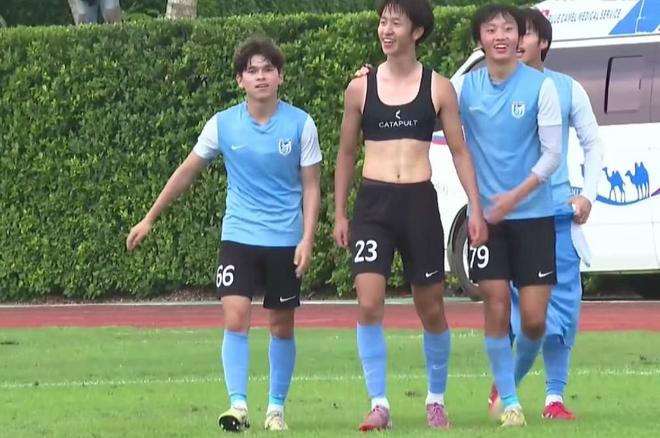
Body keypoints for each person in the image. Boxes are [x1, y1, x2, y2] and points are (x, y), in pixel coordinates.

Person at [126, 36, 322, 432]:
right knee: (235, 317)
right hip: (238, 236)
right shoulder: (222, 124)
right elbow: (187, 171)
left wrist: (307, 238)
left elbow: (311, 185)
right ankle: (238, 406)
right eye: (252, 71)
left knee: (281, 326)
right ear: (240, 80)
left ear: (280, 77)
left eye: (268, 69)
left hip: (284, 239)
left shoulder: (301, 124)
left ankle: (276, 409)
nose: (260, 76)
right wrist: (149, 218)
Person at [334, 0, 487, 431]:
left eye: (395, 23)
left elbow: (460, 151)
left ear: (416, 31)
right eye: (382, 22)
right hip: (374, 205)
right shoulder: (360, 88)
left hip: (419, 203)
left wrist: (476, 208)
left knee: (431, 307)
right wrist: (340, 213)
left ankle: (436, 400)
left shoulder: (439, 87)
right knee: (369, 302)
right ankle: (378, 403)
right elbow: (345, 153)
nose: (386, 30)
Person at [488, 7, 604, 421]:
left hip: (557, 217)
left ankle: (554, 398)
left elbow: (592, 143)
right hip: (512, 220)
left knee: (564, 312)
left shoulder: (567, 88)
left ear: (545, 43)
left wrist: (587, 195)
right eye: (510, 32)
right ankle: (506, 387)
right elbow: (434, 94)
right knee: (521, 314)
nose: (515, 40)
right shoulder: (489, 86)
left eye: (525, 33)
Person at [451, 4, 562, 426]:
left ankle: (506, 384)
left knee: (533, 322)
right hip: (486, 220)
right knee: (495, 304)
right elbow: (420, 98)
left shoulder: (541, 87)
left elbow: (552, 155)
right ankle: (512, 404)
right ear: (479, 39)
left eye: (509, 28)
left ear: (520, 38)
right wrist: (371, 77)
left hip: (533, 216)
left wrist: (513, 198)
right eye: (491, 29)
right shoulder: (464, 88)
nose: (500, 35)